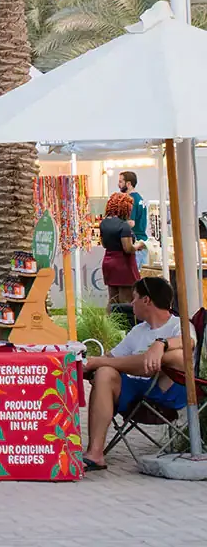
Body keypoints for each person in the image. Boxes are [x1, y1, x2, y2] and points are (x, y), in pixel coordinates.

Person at [81, 276, 186, 471]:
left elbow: (189, 344)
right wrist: (91, 363)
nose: (131, 303)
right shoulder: (138, 330)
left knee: (177, 356)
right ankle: (95, 454)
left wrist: (160, 344)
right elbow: (112, 356)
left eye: (134, 297)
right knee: (104, 371)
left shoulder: (178, 325)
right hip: (137, 392)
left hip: (166, 392)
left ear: (146, 300)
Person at [100, 193, 140, 305]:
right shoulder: (124, 226)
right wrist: (139, 246)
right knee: (126, 299)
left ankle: (109, 322)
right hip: (123, 264)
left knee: (112, 299)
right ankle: (126, 323)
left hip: (108, 262)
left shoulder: (104, 223)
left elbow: (104, 244)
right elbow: (127, 248)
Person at [119, 170, 149, 247]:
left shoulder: (130, 199)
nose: (118, 185)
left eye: (120, 182)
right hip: (142, 240)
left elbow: (131, 223)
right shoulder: (139, 198)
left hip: (135, 243)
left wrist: (115, 227)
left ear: (128, 184)